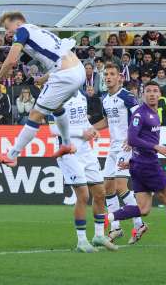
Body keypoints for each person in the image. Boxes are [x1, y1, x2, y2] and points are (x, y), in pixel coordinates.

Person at [0, 12, 85, 166]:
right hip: (78, 70)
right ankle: (66, 145)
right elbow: (58, 59)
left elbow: (11, 60)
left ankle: (12, 155)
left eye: (7, 28)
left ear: (18, 23)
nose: (7, 32)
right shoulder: (38, 31)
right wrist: (43, 78)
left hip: (66, 75)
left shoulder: (22, 31)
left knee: (34, 115)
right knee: (57, 107)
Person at [109, 81, 166, 251]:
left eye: (155, 91)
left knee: (143, 209)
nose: (151, 94)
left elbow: (140, 141)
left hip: (139, 164)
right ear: (143, 94)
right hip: (149, 165)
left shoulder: (155, 113)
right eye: (148, 91)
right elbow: (133, 138)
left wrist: (131, 161)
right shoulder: (140, 114)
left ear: (160, 95)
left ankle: (109, 217)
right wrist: (156, 147)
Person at [50, 92, 117, 252]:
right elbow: (53, 129)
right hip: (69, 152)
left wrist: (92, 130)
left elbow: (82, 120)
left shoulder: (81, 96)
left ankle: (99, 236)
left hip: (86, 151)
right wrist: (82, 133)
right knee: (83, 195)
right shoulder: (58, 95)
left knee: (100, 193)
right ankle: (81, 241)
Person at [92, 64, 146, 244]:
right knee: (107, 187)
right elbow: (107, 121)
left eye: (112, 74)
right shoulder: (106, 98)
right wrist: (91, 129)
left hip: (127, 146)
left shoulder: (127, 96)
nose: (108, 77)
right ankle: (116, 229)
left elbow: (139, 118)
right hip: (113, 147)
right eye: (105, 74)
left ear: (119, 78)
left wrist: (132, 139)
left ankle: (139, 224)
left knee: (121, 186)